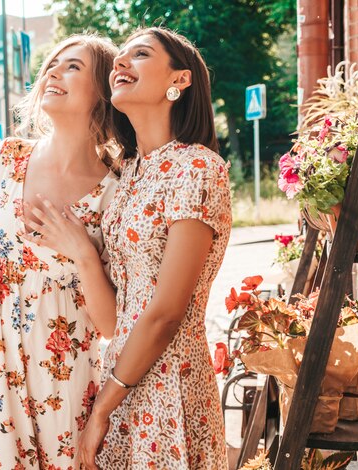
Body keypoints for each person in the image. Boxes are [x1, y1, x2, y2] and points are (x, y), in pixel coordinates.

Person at [30, 27, 232, 469]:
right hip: (121, 382)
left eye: (139, 55)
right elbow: (116, 315)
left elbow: (164, 315)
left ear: (179, 80)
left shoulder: (197, 167)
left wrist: (102, 406)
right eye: (118, 58)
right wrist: (82, 251)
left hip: (170, 383)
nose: (120, 64)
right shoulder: (126, 174)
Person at [0, 34, 119, 469]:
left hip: (66, 366)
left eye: (73, 66)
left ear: (103, 90)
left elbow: (110, 324)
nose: (53, 71)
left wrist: (83, 254)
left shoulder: (115, 190)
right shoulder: (8, 157)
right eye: (52, 63)